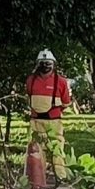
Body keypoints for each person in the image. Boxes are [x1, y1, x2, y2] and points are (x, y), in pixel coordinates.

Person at [25, 49, 73, 179]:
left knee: (57, 149)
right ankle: (38, 179)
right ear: (38, 64)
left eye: (48, 63)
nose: (45, 66)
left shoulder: (61, 81)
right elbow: (29, 97)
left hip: (54, 122)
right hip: (36, 122)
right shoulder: (31, 80)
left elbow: (66, 102)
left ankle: (61, 177)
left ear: (53, 64)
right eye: (43, 63)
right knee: (36, 151)